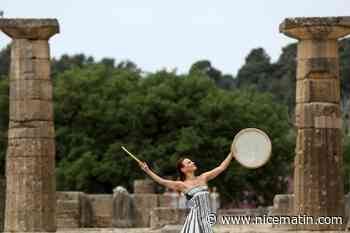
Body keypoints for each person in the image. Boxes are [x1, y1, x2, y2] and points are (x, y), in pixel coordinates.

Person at [138, 147, 236, 233]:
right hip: (194, 222)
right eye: (189, 162)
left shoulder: (204, 177)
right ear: (183, 169)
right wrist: (147, 170)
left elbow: (221, 167)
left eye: (191, 161)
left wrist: (231, 153)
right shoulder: (182, 185)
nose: (193, 162)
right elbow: (162, 181)